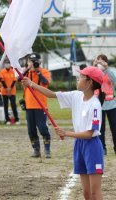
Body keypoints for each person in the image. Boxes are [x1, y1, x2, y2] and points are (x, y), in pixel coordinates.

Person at [22, 66, 104, 199]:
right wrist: (32, 84)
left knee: (95, 192)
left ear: (90, 83)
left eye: (81, 77)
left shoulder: (94, 105)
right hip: (79, 145)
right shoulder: (76, 96)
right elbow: (52, 94)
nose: (78, 79)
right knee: (86, 193)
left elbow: (90, 134)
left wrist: (66, 133)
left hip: (92, 147)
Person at [23, 52, 52, 158]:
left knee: (43, 129)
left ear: (39, 62)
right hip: (29, 105)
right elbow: (18, 79)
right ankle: (36, 150)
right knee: (31, 130)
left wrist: (38, 72)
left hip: (41, 105)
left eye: (35, 61)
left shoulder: (45, 72)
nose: (33, 63)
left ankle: (47, 150)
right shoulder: (26, 72)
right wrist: (28, 68)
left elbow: (46, 82)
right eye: (31, 61)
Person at [93, 54, 116, 155]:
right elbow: (91, 82)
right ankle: (102, 148)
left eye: (102, 61)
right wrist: (94, 67)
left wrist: (106, 68)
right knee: (99, 129)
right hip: (98, 105)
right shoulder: (94, 72)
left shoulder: (111, 71)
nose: (100, 63)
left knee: (114, 128)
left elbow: (114, 79)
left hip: (111, 104)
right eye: (99, 61)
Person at [0, 58, 20, 125]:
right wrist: (6, 89)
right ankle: (7, 119)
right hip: (4, 91)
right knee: (5, 106)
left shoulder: (13, 71)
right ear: (4, 64)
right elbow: (2, 80)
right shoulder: (2, 71)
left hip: (12, 91)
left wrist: (10, 88)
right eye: (6, 63)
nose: (7, 64)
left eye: (8, 63)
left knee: (13, 105)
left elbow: (14, 80)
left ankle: (16, 119)